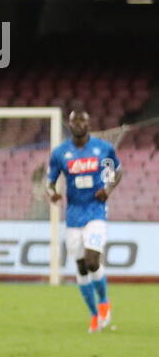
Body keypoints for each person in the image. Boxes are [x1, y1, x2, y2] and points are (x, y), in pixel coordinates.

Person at [46, 105, 122, 333]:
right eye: (75, 122)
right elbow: (49, 182)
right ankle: (93, 315)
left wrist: (108, 189)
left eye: (83, 121)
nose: (79, 125)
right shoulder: (60, 153)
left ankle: (104, 302)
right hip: (73, 215)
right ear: (70, 125)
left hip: (96, 211)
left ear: (89, 125)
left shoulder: (103, 149)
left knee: (92, 261)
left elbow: (117, 171)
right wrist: (52, 194)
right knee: (80, 269)